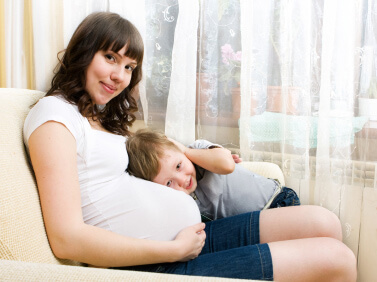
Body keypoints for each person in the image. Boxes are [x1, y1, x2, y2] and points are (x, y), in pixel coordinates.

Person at [23, 11, 357, 281]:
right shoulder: (55, 116)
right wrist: (171, 250)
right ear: (83, 52)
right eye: (110, 57)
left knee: (323, 223)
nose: (119, 76)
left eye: (129, 67)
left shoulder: (95, 118)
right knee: (336, 260)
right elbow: (66, 238)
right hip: (155, 264)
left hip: (187, 238)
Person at [126, 129, 300, 221]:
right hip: (253, 225)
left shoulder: (198, 149)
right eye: (169, 183)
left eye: (179, 165)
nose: (182, 180)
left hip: (277, 201)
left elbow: (226, 164)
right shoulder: (180, 200)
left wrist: (187, 151)